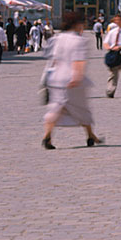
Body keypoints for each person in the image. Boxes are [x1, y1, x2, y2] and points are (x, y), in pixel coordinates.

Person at [41, 12, 103, 150]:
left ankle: (47, 135)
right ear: (77, 24)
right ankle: (90, 135)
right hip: (72, 78)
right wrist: (77, 76)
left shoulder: (58, 38)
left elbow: (54, 59)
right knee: (82, 109)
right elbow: (78, 60)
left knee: (55, 107)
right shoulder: (79, 40)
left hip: (56, 78)